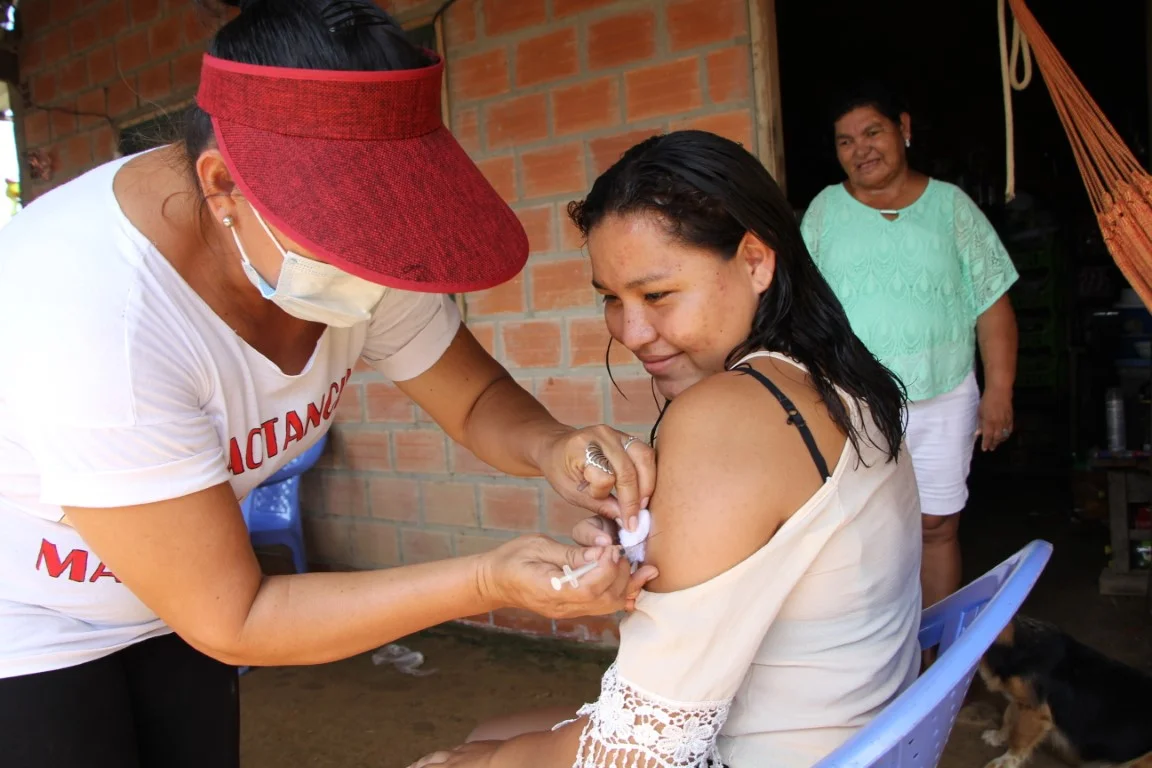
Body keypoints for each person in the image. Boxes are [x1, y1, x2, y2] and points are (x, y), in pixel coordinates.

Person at [0, 3, 659, 766]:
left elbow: (475, 401)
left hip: (167, 607)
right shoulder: (93, 321)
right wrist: (488, 581)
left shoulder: (356, 241)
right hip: (28, 618)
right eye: (347, 241)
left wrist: (555, 447)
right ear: (221, 187)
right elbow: (237, 616)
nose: (380, 274)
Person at [407, 131, 923, 768]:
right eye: (610, 298)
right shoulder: (842, 380)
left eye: (656, 295)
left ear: (756, 261)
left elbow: (641, 752)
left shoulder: (728, 413)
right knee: (498, 729)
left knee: (473, 751)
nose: (632, 331)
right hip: (860, 740)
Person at [801, 83, 1020, 610]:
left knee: (937, 526)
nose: (861, 149)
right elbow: (799, 311)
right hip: (851, 402)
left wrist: (1000, 392)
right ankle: (880, 654)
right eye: (845, 141)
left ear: (904, 128)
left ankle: (932, 658)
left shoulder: (951, 207)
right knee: (859, 533)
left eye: (873, 132)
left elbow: (992, 304)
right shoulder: (824, 213)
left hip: (944, 394)